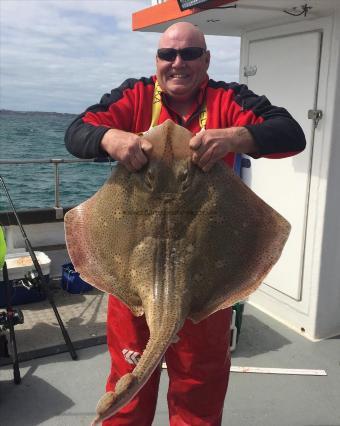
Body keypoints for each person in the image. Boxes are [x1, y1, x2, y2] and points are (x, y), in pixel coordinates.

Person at [65, 22, 305, 426]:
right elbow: (76, 133)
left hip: (205, 276)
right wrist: (110, 138)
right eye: (167, 54)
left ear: (206, 60)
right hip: (132, 277)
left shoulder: (228, 98)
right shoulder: (135, 94)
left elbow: (290, 133)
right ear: (156, 60)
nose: (178, 62)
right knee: (128, 386)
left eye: (190, 54)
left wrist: (234, 138)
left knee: (199, 387)